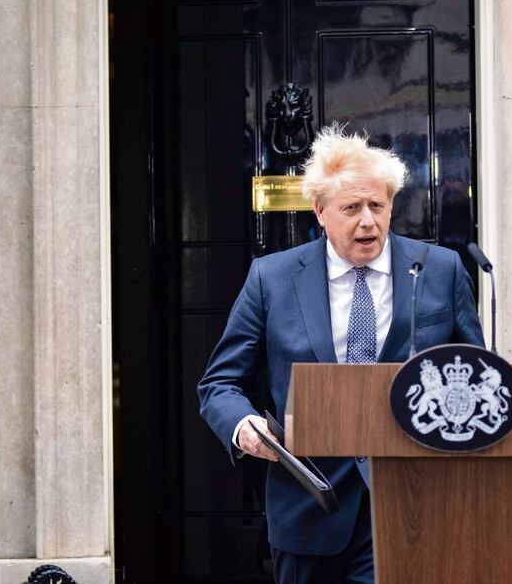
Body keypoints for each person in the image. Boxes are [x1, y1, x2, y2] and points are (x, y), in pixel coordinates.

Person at [197, 124, 484, 584]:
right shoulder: (271, 279)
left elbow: (476, 375)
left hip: (410, 501)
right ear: (320, 212)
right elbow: (219, 384)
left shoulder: (441, 271)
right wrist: (243, 426)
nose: (367, 221)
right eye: (351, 208)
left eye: (378, 205)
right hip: (308, 504)